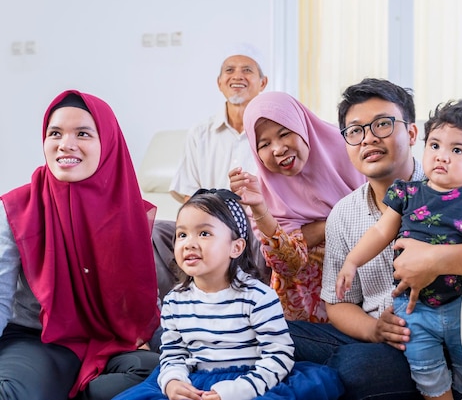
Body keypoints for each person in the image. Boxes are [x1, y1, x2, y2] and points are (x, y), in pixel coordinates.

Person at [287, 78, 462, 400]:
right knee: (274, 331)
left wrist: (436, 260)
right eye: (355, 131)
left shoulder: (458, 187)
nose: (369, 139)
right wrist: (374, 330)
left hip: (451, 326)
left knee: (359, 370)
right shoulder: (344, 213)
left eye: (383, 124)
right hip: (388, 332)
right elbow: (338, 304)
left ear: (412, 134)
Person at [336, 98, 462, 400]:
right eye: (434, 146)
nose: (442, 157)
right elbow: (381, 231)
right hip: (414, 310)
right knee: (427, 371)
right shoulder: (406, 192)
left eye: (457, 150)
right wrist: (352, 262)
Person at [0, 90, 161, 400]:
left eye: (83, 133)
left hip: (111, 342)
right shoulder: (17, 209)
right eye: (55, 133)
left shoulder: (131, 214)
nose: (65, 144)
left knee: (160, 376)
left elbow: (144, 301)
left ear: (108, 143)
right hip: (39, 341)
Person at [113, 189, 343, 400]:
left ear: (236, 247)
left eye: (204, 233)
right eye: (182, 235)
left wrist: (237, 391)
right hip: (197, 383)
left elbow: (278, 357)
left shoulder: (257, 297)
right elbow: (173, 355)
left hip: (249, 383)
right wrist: (173, 382)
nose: (189, 243)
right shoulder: (175, 301)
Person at [229, 91, 365, 323]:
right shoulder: (262, 192)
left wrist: (312, 231)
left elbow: (376, 219)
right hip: (302, 319)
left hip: (366, 304)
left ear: (303, 128)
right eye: (264, 144)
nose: (278, 149)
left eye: (285, 134)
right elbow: (287, 264)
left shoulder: (353, 155)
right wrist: (261, 210)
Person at [153, 44, 270, 299]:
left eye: (247, 70)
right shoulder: (200, 133)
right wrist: (203, 228)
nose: (237, 75)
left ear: (263, 83)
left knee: (266, 241)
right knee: (155, 231)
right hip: (205, 226)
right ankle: (174, 307)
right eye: (230, 70)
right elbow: (188, 197)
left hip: (253, 230)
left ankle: (249, 306)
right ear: (219, 83)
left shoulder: (273, 132)